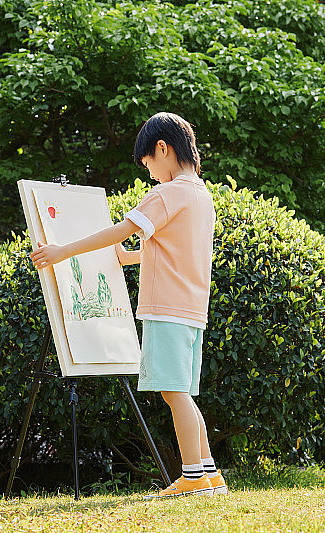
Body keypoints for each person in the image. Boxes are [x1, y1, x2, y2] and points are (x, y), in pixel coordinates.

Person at [30, 111, 227, 498]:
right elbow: (178, 250)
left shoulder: (166, 194)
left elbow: (123, 229)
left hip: (166, 308)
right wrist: (131, 257)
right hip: (192, 311)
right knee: (183, 391)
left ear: (162, 148)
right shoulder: (202, 197)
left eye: (149, 164)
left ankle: (192, 476)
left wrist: (61, 251)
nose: (150, 174)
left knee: (174, 393)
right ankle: (209, 473)